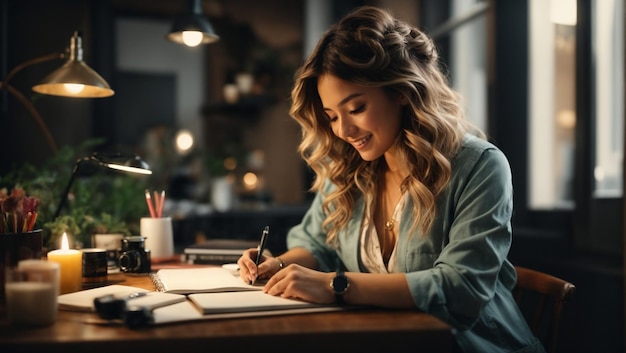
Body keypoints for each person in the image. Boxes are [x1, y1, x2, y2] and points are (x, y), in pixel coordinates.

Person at [237, 6, 545, 353]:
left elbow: (460, 288)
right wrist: (277, 263)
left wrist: (337, 285)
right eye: (332, 116)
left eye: (355, 109)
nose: (343, 130)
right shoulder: (348, 167)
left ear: (400, 90)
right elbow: (316, 245)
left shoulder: (480, 166)